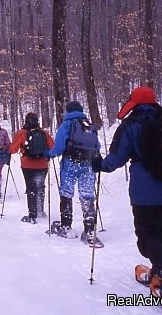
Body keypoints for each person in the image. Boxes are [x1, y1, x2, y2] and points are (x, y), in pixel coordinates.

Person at [91, 86, 162, 297]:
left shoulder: (131, 125)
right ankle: (161, 271)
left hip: (146, 192)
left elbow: (116, 159)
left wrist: (99, 165)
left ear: (134, 104)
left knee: (146, 236)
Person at [45, 101, 100, 244]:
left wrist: (49, 154)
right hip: (88, 164)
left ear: (67, 111)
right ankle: (90, 232)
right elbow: (97, 146)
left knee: (66, 193)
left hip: (70, 163)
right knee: (87, 196)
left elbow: (59, 147)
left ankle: (66, 226)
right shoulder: (88, 124)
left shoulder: (66, 124)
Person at [9, 112, 54, 223]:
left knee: (31, 188)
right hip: (42, 164)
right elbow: (53, 146)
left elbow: (13, 149)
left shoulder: (21, 133)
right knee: (40, 186)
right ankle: (40, 210)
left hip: (27, 165)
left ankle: (32, 214)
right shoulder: (44, 133)